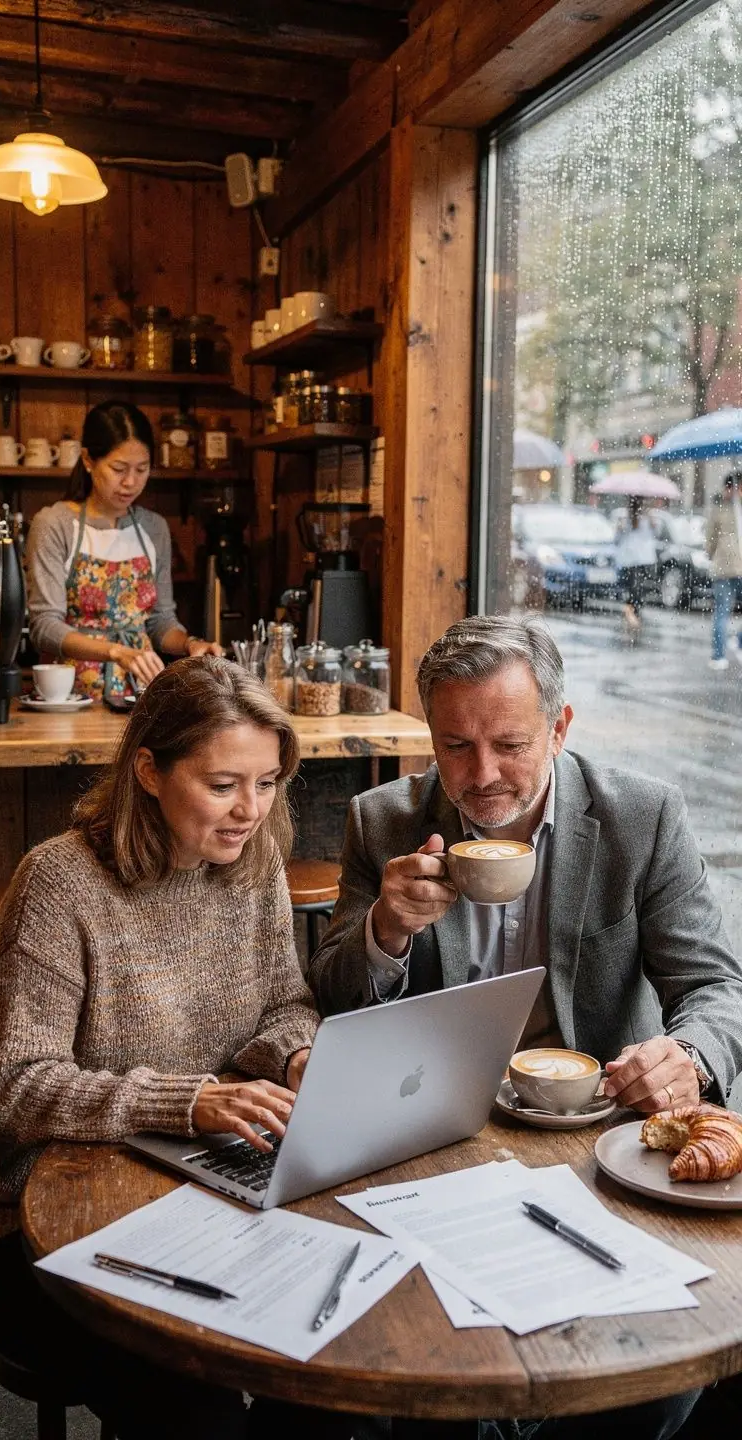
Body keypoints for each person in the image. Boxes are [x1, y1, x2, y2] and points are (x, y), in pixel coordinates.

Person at [309, 615, 742, 1440]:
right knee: (442, 1377)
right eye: (456, 747)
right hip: (436, 1137)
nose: (484, 775)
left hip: (597, 1136)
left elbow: (717, 985)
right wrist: (385, 933)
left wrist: (685, 1057)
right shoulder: (383, 821)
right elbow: (333, 1001)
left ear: (561, 725)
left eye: (509, 743)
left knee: (643, 1382)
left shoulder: (639, 818)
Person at [0, 657, 358, 1439]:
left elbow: (287, 1002)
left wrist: (293, 1055)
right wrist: (189, 1100)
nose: (251, 811)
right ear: (149, 771)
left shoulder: (253, 861)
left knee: (325, 1366)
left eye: (268, 783)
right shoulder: (60, 884)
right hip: (23, 1219)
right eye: (224, 784)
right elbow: (17, 1086)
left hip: (191, 1188)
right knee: (192, 1407)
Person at [26, 400, 222, 701]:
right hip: (70, 697)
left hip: (140, 695)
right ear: (89, 460)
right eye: (118, 469)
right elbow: (44, 627)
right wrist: (116, 652)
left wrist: (190, 644)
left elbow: (160, 621)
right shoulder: (54, 524)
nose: (130, 482)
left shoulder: (154, 528)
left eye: (141, 470)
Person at [706, 471, 742, 670]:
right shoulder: (720, 509)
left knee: (721, 612)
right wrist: (713, 555)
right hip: (724, 569)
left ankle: (735, 643)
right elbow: (710, 540)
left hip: (732, 567)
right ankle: (718, 655)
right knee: (722, 613)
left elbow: (710, 542)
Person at [613, 497, 658, 635]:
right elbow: (653, 536)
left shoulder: (645, 519)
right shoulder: (626, 519)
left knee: (635, 588)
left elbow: (617, 540)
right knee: (636, 588)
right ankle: (632, 612)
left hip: (635, 559)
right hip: (636, 559)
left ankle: (631, 611)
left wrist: (652, 522)